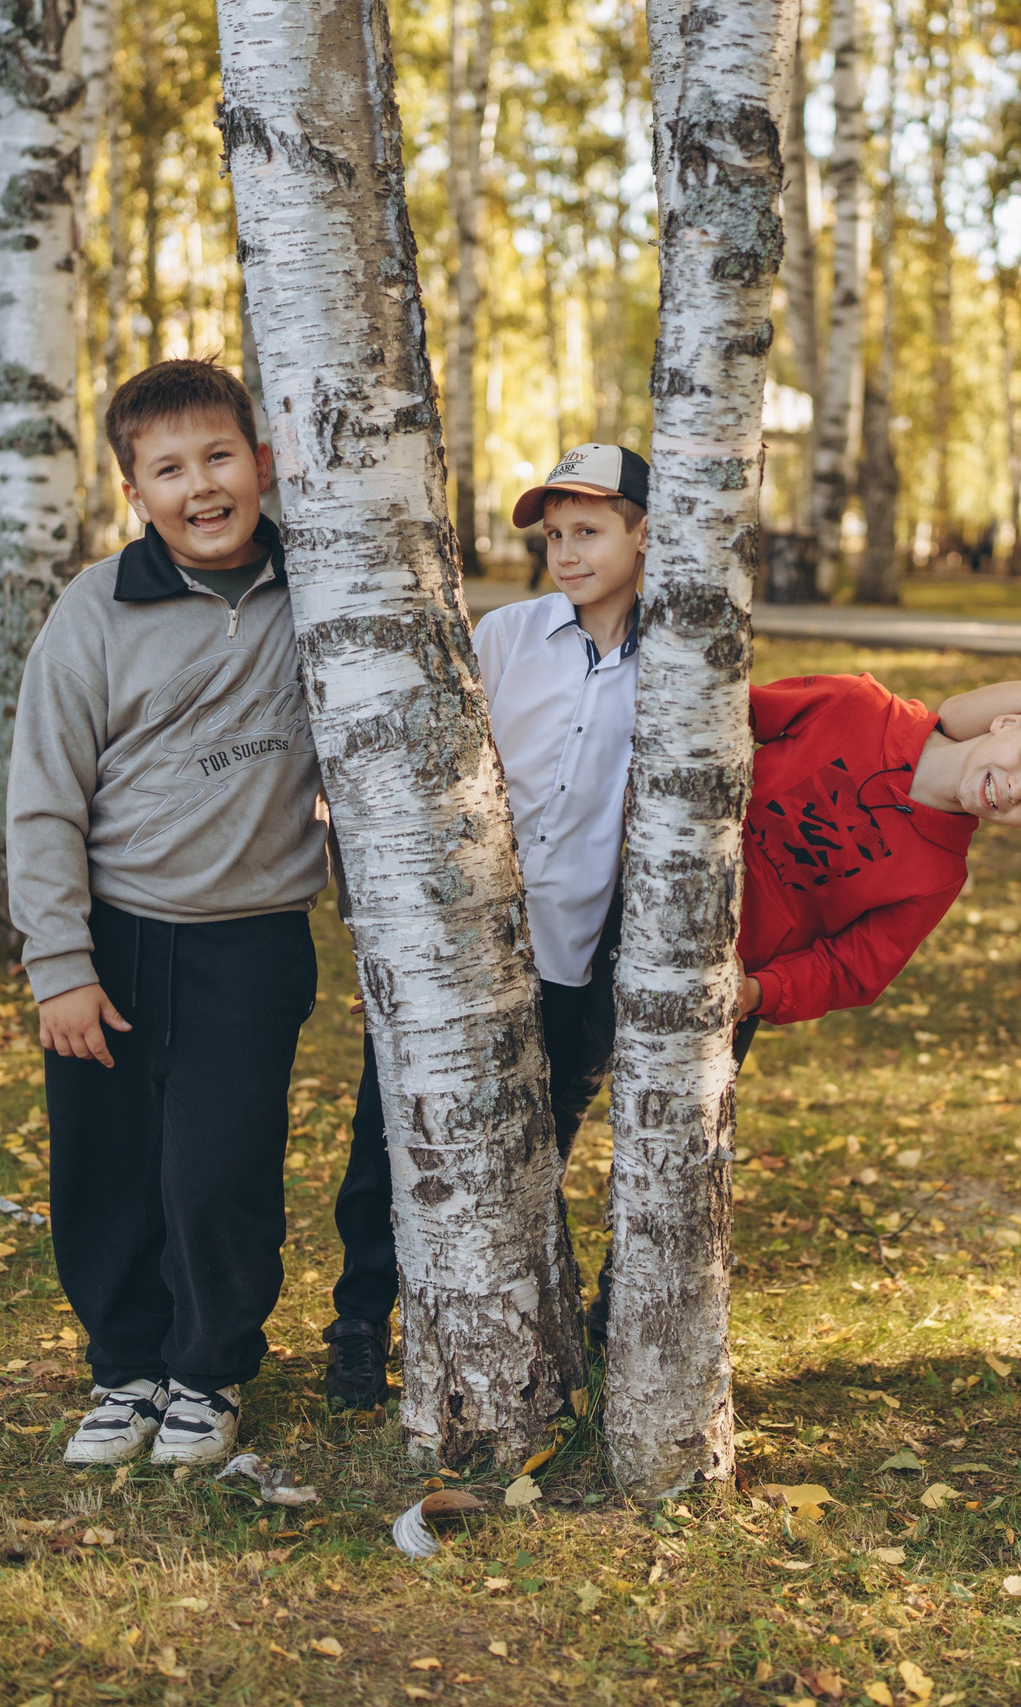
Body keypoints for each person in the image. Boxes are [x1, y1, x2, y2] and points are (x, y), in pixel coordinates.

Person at [7, 358, 326, 1469]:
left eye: (220, 458)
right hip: (118, 942)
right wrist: (59, 964)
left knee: (220, 1173)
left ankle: (210, 1370)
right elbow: (44, 795)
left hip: (252, 943)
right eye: (169, 469)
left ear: (265, 462)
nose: (202, 487)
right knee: (107, 1171)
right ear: (134, 491)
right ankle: (124, 1369)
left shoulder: (323, 592)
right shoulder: (96, 609)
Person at [322, 442, 651, 1408]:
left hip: (574, 955)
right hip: (462, 947)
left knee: (530, 1149)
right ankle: (359, 1319)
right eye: (555, 535)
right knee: (392, 1131)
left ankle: (509, 1326)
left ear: (646, 533)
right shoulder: (507, 638)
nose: (568, 551)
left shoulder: (680, 667)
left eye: (589, 530)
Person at [736, 669, 1021, 1038]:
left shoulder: (938, 877)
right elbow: (728, 714)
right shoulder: (856, 706)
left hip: (715, 971)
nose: (1017, 790)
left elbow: (852, 968)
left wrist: (754, 993)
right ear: (1007, 722)